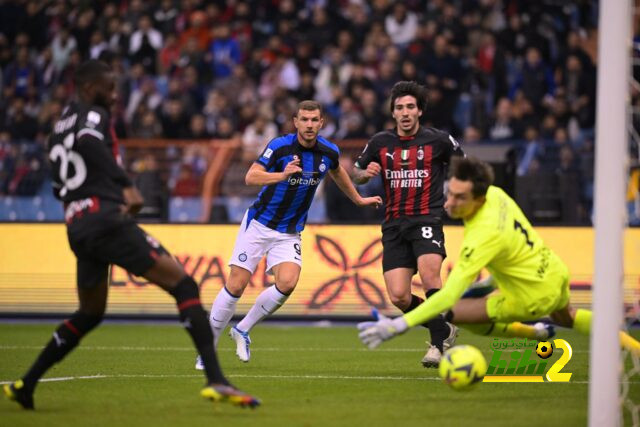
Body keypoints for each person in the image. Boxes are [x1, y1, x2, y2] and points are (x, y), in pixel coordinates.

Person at [2, 60, 259, 410]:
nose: (114, 96)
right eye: (109, 89)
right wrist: (125, 187)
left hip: (77, 227)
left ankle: (26, 384)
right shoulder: (92, 117)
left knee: (90, 313)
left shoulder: (56, 130)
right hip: (106, 220)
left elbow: (60, 185)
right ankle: (216, 380)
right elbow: (91, 144)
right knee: (184, 285)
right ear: (91, 89)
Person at [357, 157, 640, 356]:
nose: (450, 202)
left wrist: (398, 324)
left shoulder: (483, 235)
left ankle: (532, 333)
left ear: (477, 200)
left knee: (456, 314)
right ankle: (635, 349)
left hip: (532, 298)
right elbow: (512, 250)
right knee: (568, 317)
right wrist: (490, 284)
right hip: (553, 270)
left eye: (460, 198)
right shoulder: (495, 193)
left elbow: (447, 296)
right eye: (450, 193)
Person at [197, 100, 382, 367]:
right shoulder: (279, 146)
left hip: (289, 232)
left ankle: (242, 329)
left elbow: (338, 172)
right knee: (236, 284)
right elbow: (251, 177)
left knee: (287, 283)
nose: (309, 125)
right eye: (304, 120)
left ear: (322, 123)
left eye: (314, 120)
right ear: (295, 121)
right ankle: (207, 349)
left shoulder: (328, 151)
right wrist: (281, 176)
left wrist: (358, 199)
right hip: (259, 224)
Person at [351, 81, 463, 367]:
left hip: (427, 218)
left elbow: (463, 166)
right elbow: (356, 172)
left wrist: (455, 196)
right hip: (393, 225)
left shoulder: (438, 141)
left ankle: (437, 347)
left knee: (429, 277)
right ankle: (444, 328)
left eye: (410, 107)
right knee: (399, 296)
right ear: (393, 113)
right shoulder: (380, 142)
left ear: (420, 111)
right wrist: (365, 174)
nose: (404, 112)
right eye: (399, 108)